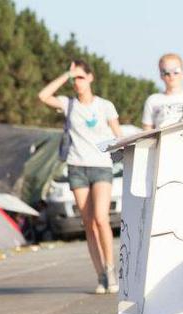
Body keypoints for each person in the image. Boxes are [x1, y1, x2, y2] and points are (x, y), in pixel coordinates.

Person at [39, 60, 123, 294]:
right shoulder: (69, 104)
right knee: (88, 222)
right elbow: (43, 96)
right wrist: (65, 74)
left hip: (101, 166)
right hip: (77, 167)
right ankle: (100, 275)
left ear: (90, 78)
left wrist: (124, 153)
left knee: (101, 218)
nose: (77, 83)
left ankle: (111, 268)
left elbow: (118, 134)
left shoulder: (105, 105)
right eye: (74, 79)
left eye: (81, 77)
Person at [141, 53, 183, 130]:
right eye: (166, 72)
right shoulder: (152, 100)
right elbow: (147, 129)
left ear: (182, 73)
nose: (171, 75)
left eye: (176, 71)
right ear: (161, 75)